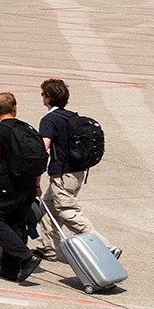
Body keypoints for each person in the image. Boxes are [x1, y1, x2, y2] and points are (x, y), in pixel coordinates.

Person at [0, 91, 48, 282]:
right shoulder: (28, 128)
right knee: (16, 222)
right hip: (28, 184)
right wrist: (36, 185)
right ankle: (10, 269)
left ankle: (25, 257)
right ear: (15, 107)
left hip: (7, 183)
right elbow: (38, 158)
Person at [35, 78, 106, 260]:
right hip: (77, 172)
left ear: (48, 98)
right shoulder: (71, 117)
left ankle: (104, 246)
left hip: (62, 174)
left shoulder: (49, 120)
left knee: (68, 212)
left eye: (43, 94)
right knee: (48, 206)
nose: (42, 97)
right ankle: (48, 247)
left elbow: (43, 148)